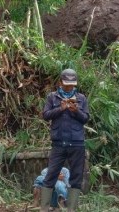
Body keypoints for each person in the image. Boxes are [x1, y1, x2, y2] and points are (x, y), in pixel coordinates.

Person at [40, 69, 89, 212]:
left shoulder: (81, 98)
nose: (69, 87)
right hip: (58, 144)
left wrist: (76, 111)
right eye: (66, 84)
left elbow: (85, 118)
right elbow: (46, 115)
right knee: (50, 176)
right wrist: (60, 109)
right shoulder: (52, 97)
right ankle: (44, 209)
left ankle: (71, 209)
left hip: (77, 144)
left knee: (76, 177)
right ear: (60, 82)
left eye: (72, 84)